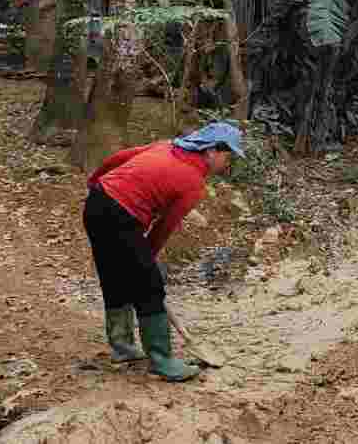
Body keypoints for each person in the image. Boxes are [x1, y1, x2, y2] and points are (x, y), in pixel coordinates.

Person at [83, 121, 243, 381]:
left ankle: (122, 347)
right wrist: (149, 255)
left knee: (113, 275)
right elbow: (166, 224)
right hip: (121, 216)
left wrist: (94, 182)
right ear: (211, 151)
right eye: (228, 155)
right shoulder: (193, 182)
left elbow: (119, 158)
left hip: (96, 205)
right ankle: (162, 360)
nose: (228, 163)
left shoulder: (166, 146)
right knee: (149, 285)